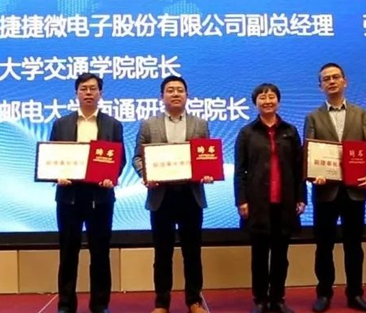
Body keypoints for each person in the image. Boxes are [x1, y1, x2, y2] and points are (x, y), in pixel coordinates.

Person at [132, 76, 214, 313]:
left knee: (192, 253)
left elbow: (207, 157)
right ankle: (161, 303)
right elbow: (137, 157)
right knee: (162, 254)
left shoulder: (200, 124)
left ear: (187, 95)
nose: (175, 94)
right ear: (162, 96)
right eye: (170, 90)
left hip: (191, 196)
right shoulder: (149, 124)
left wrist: (208, 172)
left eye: (180, 90)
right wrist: (146, 174)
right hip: (161, 197)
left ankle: (194, 301)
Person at [304, 63, 366, 312]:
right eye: (326, 79)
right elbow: (309, 153)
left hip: (355, 190)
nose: (332, 81)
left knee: (354, 246)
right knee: (324, 246)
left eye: (336, 77)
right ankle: (324, 294)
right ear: (321, 86)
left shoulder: (361, 114)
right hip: (325, 191)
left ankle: (355, 294)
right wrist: (313, 175)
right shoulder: (313, 117)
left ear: (345, 82)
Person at [51, 73, 124, 313]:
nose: (89, 93)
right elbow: (53, 157)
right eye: (84, 89)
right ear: (76, 93)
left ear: (101, 93)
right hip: (69, 197)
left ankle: (100, 304)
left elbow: (120, 159)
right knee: (68, 253)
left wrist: (111, 176)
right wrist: (56, 175)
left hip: (100, 197)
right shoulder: (61, 124)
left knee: (100, 253)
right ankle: (65, 305)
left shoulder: (113, 125)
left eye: (93, 88)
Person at [234, 83, 306, 313]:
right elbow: (240, 171)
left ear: (278, 101)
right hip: (257, 204)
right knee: (259, 255)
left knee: (281, 256)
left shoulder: (290, 131)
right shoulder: (247, 133)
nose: (267, 101)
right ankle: (260, 300)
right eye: (262, 98)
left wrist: (301, 197)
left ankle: (278, 299)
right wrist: (241, 200)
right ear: (255, 103)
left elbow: (299, 167)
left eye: (271, 97)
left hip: (285, 202)